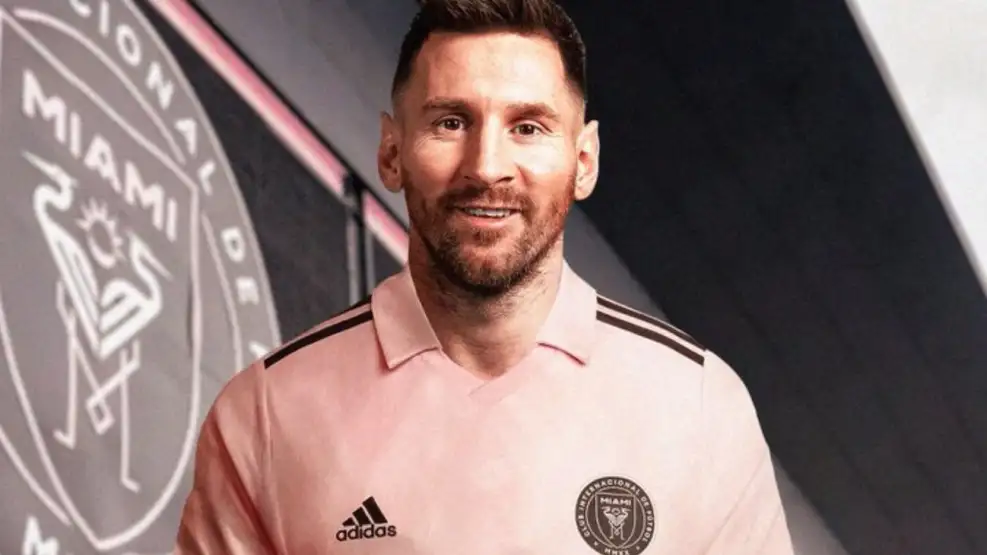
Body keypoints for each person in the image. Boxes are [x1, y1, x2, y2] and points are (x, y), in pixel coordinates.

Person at [174, 0, 794, 553]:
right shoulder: (266, 413)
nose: (487, 166)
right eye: (451, 122)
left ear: (583, 160)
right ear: (391, 152)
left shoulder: (699, 404)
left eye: (528, 127)